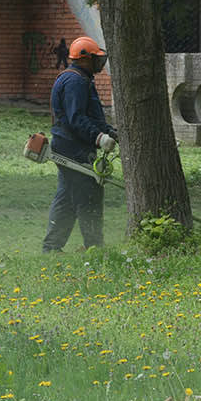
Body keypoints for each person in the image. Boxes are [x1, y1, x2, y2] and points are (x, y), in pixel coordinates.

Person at [43, 36, 116, 252]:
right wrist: (99, 137)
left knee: (67, 198)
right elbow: (77, 119)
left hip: (68, 146)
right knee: (88, 195)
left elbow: (87, 115)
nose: (99, 63)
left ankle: (52, 247)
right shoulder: (75, 81)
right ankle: (94, 246)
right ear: (85, 59)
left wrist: (108, 131)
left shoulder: (80, 78)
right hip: (73, 148)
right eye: (95, 58)